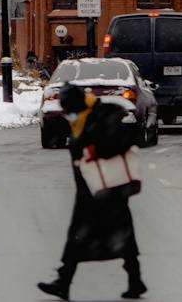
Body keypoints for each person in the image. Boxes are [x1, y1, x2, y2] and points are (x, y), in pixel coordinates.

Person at [37, 82, 146, 300]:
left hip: (109, 188)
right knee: (87, 236)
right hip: (91, 189)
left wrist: (99, 150)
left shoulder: (101, 113)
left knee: (114, 236)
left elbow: (124, 141)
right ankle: (66, 282)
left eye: (67, 108)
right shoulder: (80, 118)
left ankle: (65, 282)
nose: (66, 113)